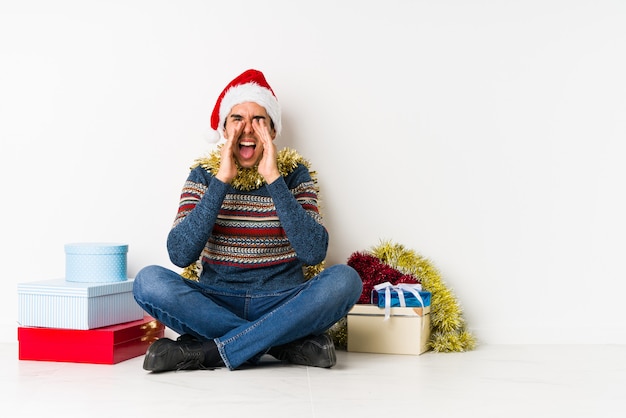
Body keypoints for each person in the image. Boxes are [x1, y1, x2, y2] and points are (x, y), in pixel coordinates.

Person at [133, 69, 362, 372]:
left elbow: (313, 252)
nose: (248, 128)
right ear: (225, 131)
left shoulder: (294, 175)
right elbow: (180, 254)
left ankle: (209, 352)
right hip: (217, 300)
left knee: (345, 281)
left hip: (282, 300)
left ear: (273, 131)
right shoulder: (203, 175)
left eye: (259, 119)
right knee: (147, 281)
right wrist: (221, 181)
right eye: (237, 119)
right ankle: (281, 342)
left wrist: (273, 178)